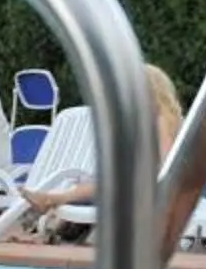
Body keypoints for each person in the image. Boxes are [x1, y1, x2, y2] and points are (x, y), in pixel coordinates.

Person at [16, 63, 185, 236]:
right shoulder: (147, 121)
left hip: (156, 189)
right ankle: (53, 209)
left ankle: (51, 201)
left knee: (106, 183)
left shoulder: (162, 120)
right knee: (101, 182)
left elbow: (166, 163)